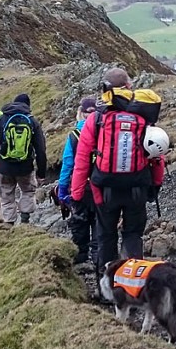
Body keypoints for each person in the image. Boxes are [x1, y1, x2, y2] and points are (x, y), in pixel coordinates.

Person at [70, 68, 165, 269]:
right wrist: (155, 185)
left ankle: (107, 289)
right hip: (137, 188)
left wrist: (77, 195)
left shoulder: (96, 119)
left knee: (106, 236)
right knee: (133, 235)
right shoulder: (143, 116)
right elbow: (156, 155)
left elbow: (82, 160)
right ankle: (132, 288)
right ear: (129, 87)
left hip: (104, 191)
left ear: (106, 90)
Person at [0, 93, 47, 224]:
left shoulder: (1, 119)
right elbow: (41, 150)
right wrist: (41, 173)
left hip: (4, 168)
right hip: (25, 168)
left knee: (6, 196)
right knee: (28, 191)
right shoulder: (32, 121)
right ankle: (25, 219)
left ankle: (8, 224)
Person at [58, 97, 99, 265]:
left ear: (80, 113)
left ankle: (81, 255)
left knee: (79, 221)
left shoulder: (74, 135)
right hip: (100, 186)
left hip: (79, 186)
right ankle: (99, 257)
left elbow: (68, 163)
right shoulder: (103, 132)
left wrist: (62, 188)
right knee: (99, 222)